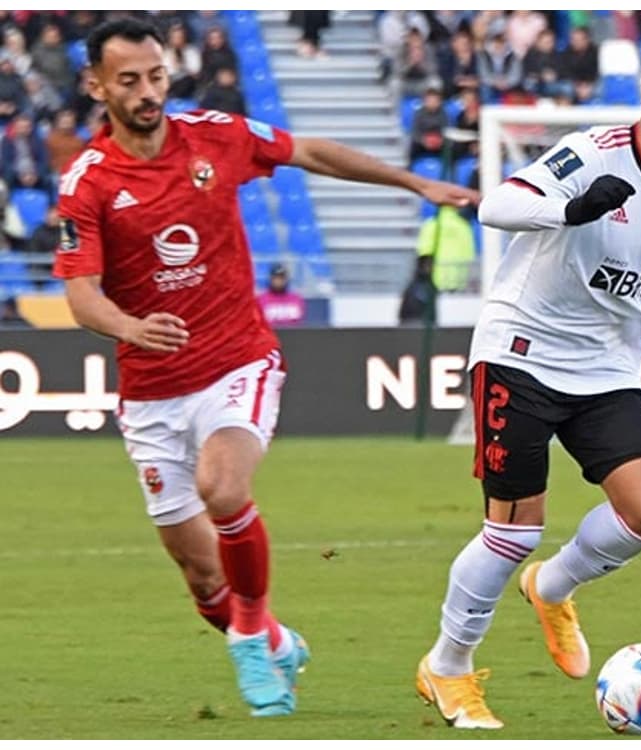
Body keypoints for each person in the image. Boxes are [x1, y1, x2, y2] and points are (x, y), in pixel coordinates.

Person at [54, 18, 477, 718]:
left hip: (236, 362)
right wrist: (131, 326)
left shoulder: (214, 135)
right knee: (200, 577)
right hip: (151, 393)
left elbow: (310, 150)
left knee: (222, 488)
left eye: (156, 75)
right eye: (128, 81)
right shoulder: (89, 183)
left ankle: (251, 638)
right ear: (96, 86)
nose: (148, 91)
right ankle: (272, 636)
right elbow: (78, 294)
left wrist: (411, 183)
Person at [414, 40, 641, 730]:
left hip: (605, 368)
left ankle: (552, 586)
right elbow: (497, 205)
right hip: (521, 353)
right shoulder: (591, 151)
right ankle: (448, 667)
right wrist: (571, 210)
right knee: (512, 531)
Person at [255, 263, 306, 328]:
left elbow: (300, 323)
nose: (278, 281)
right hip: (269, 336)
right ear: (271, 279)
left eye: (281, 278)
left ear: (286, 279)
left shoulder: (296, 299)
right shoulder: (260, 300)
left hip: (293, 336)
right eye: (276, 278)